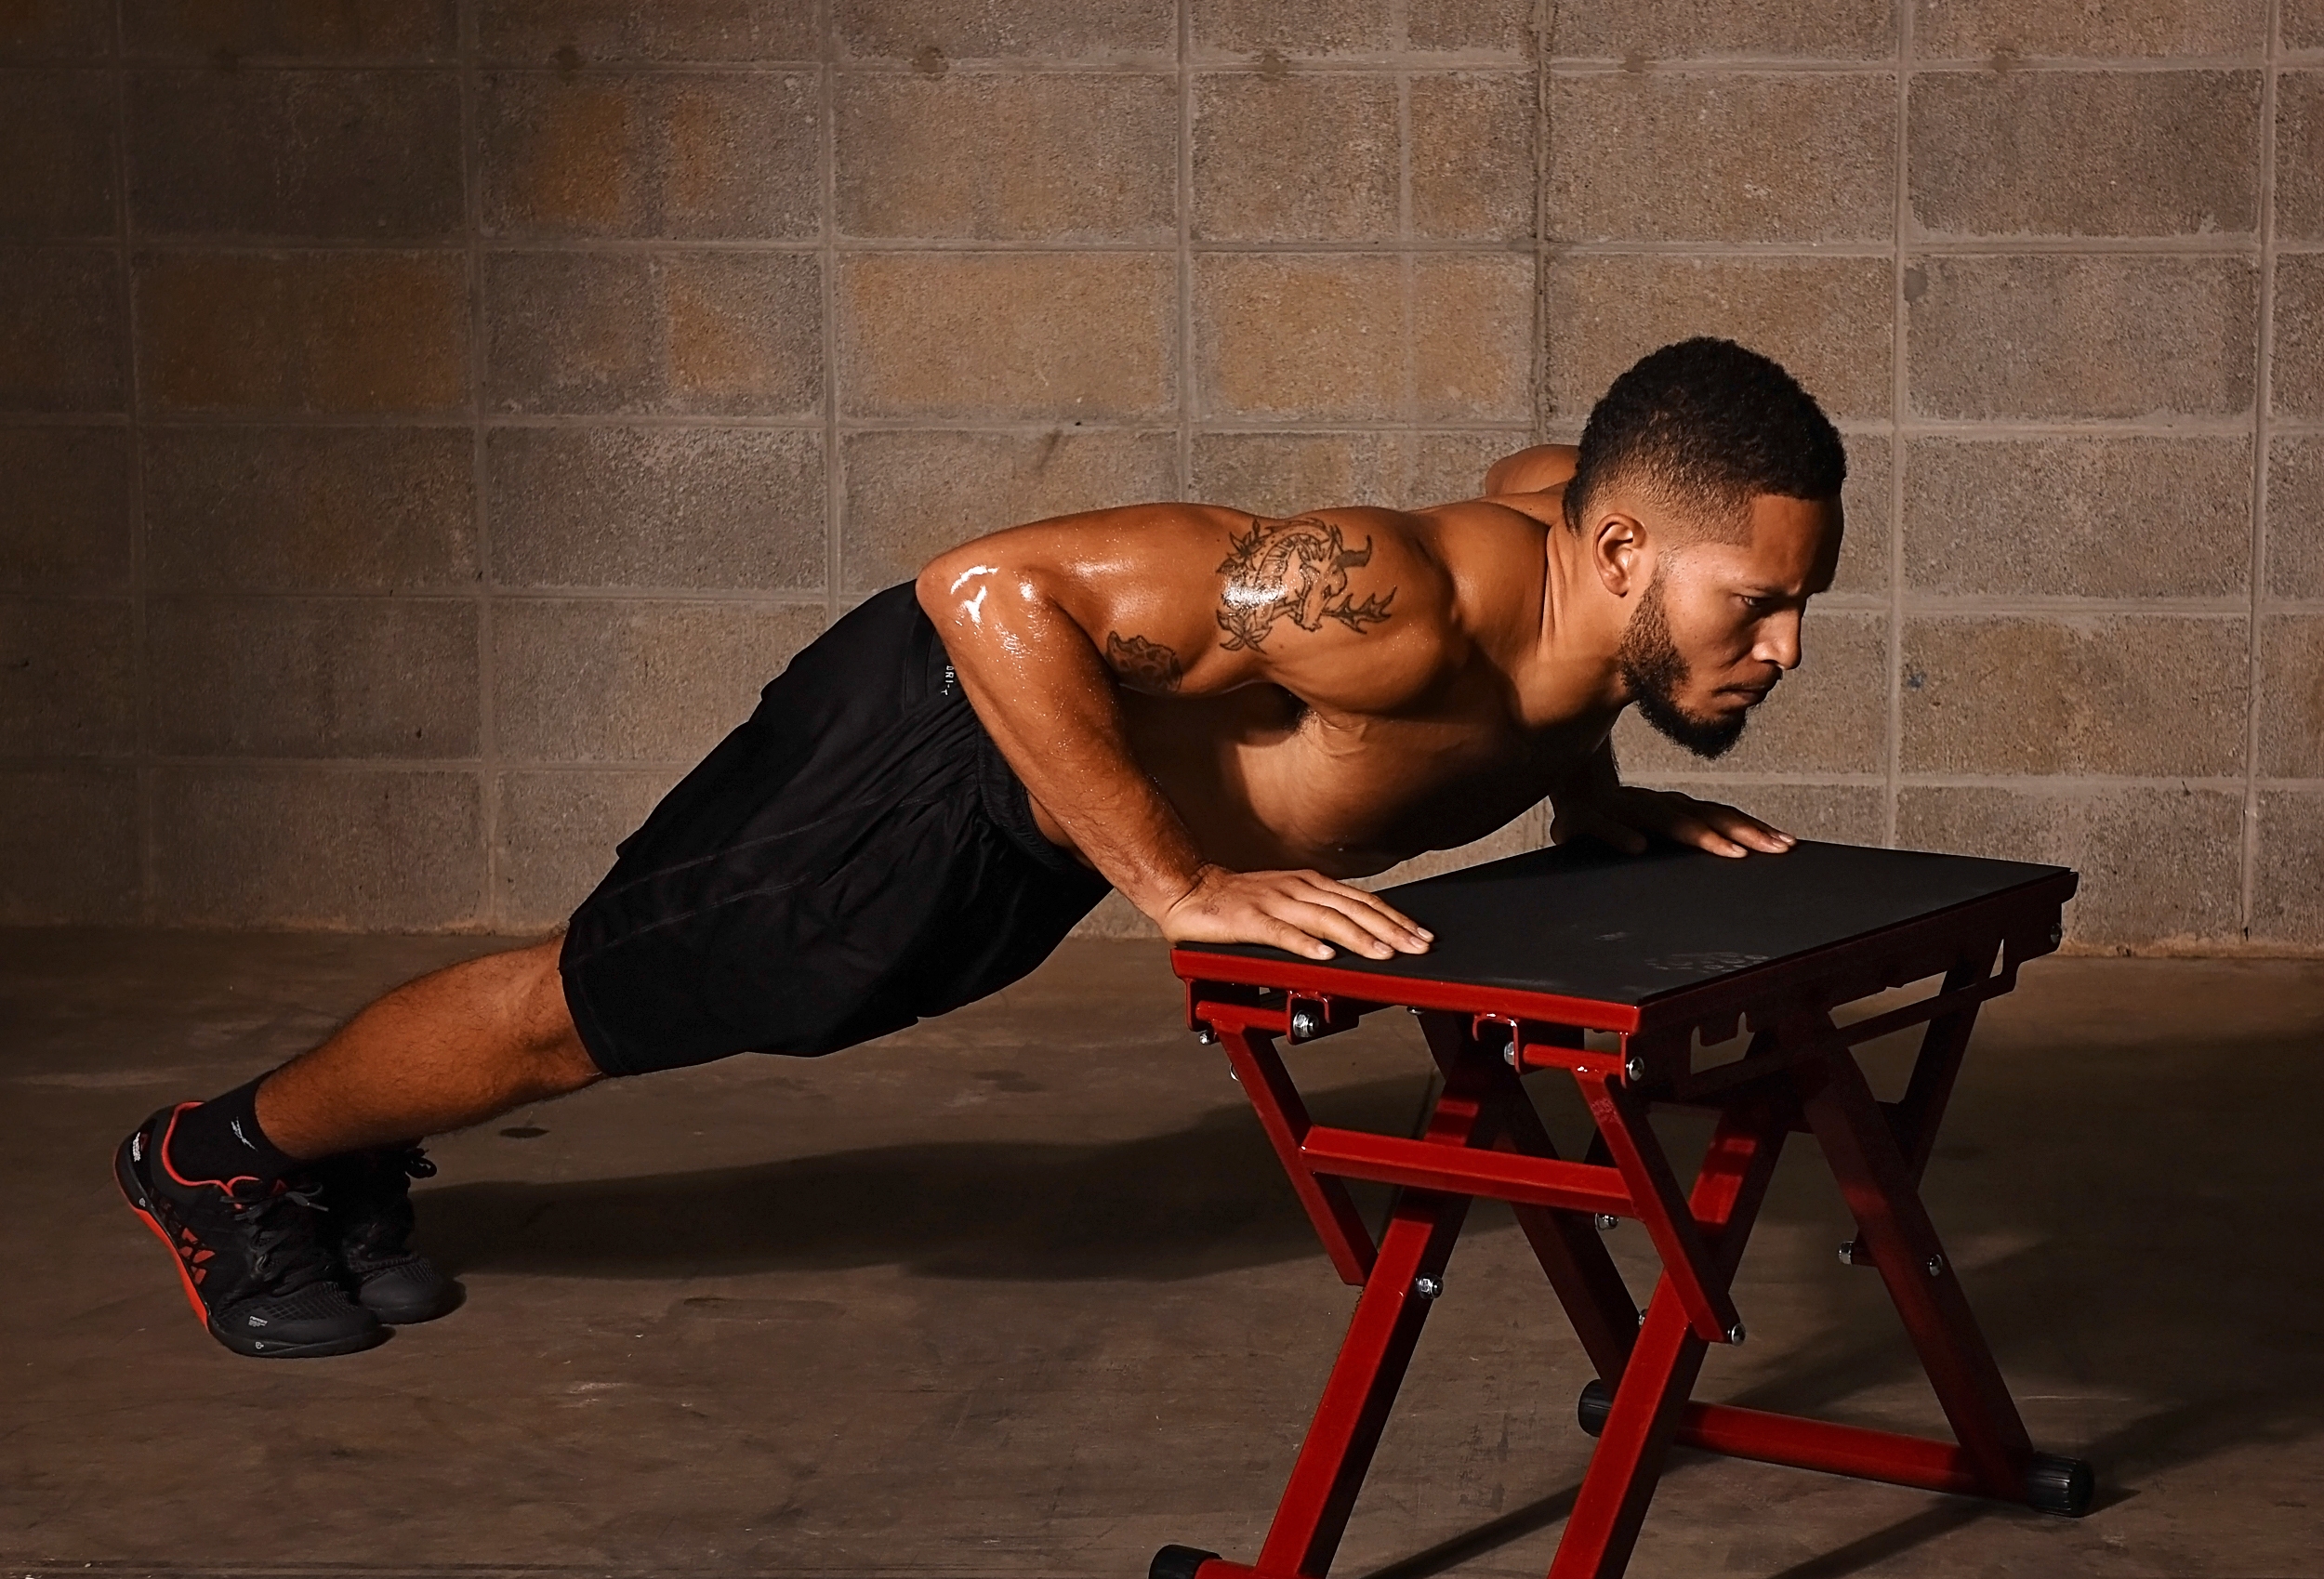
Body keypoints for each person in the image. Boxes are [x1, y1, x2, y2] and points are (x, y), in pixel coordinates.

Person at [116, 336, 1846, 1360]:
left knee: (759, 1008)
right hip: (932, 754)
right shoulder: (1384, 600)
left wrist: (1592, 787)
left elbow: (1544, 474)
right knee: (579, 1010)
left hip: (1028, 827)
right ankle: (213, 1158)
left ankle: (337, 1160)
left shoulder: (1581, 550)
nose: (1779, 650)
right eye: (1753, 608)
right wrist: (1177, 884)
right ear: (1622, 552)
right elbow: (988, 588)